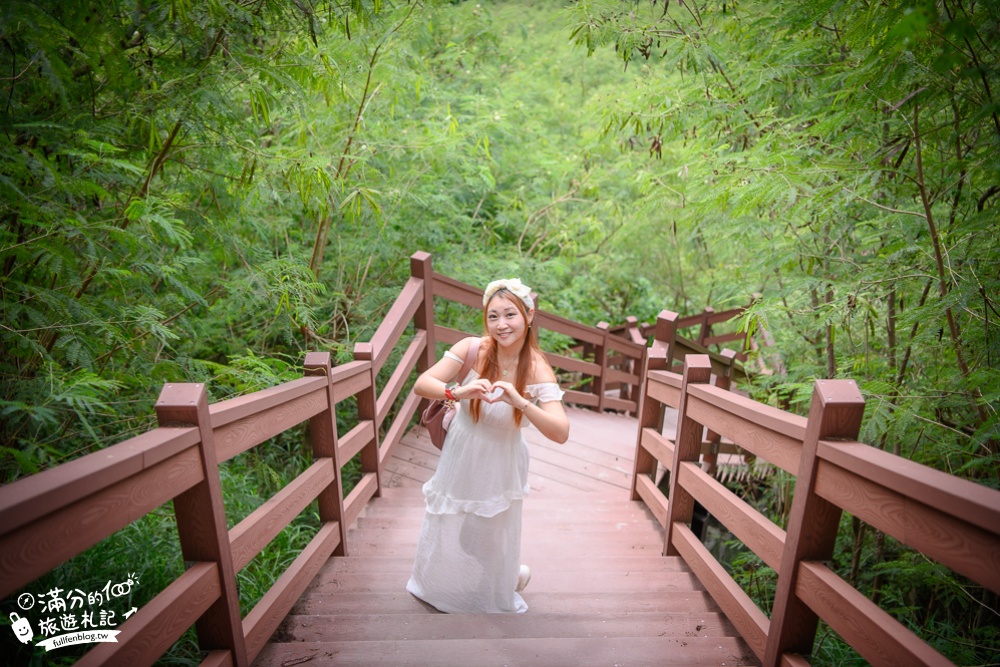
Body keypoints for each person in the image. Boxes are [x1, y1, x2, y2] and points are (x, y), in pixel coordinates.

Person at [406, 278, 570, 613]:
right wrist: (457, 392)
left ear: (529, 315)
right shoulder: (472, 349)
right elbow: (423, 384)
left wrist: (520, 402)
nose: (501, 324)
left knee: (488, 530)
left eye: (510, 314)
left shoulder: (537, 367)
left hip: (501, 458)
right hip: (462, 452)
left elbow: (560, 431)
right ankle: (452, 582)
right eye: (493, 316)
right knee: (450, 519)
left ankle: (503, 579)